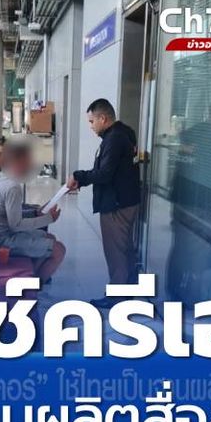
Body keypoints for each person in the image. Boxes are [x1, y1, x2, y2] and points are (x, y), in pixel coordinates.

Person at [66, 99, 140, 304]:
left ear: (103, 118)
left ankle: (117, 296)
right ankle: (128, 289)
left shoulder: (113, 139)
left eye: (92, 121)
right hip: (126, 200)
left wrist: (78, 176)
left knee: (115, 251)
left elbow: (105, 174)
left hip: (116, 204)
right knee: (125, 248)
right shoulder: (125, 132)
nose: (91, 126)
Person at [0, 142, 66, 281]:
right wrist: (48, 219)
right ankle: (33, 287)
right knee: (59, 250)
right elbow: (15, 225)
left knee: (50, 238)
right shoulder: (11, 187)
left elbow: (9, 215)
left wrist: (35, 213)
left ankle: (32, 280)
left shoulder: (2, 178)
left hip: (1, 235)